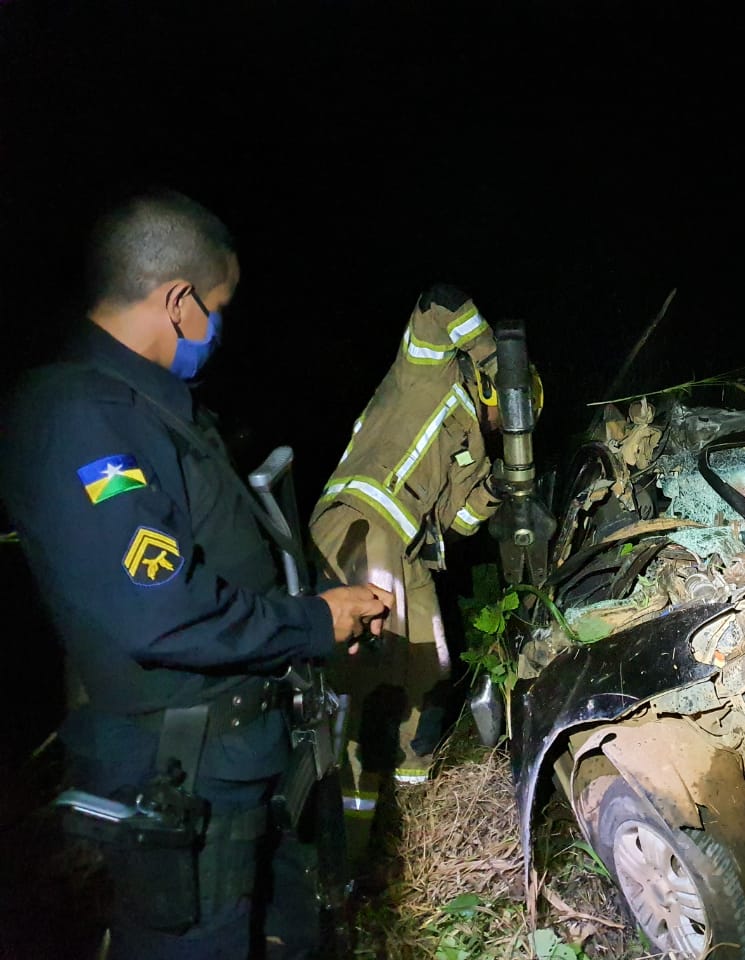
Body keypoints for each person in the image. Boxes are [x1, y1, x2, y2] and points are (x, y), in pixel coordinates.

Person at [0, 189, 393, 960]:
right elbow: (163, 612)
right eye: (217, 304)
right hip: (178, 778)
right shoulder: (78, 418)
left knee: (282, 933)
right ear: (178, 301)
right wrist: (315, 622)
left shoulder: (155, 409)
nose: (218, 326)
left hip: (235, 760)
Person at [308, 284, 515, 855]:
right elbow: (438, 300)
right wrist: (496, 358)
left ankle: (405, 824)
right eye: (510, 411)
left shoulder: (477, 446)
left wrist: (496, 490)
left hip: (411, 550)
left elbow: (459, 522)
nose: (505, 426)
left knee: (430, 670)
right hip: (362, 526)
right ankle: (345, 844)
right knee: (367, 680)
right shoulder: (431, 373)